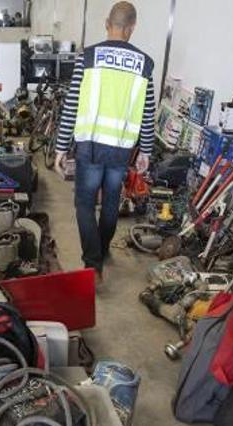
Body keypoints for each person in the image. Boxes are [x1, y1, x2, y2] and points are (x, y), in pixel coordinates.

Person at [54, 1, 156, 280]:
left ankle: (92, 262)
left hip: (90, 146)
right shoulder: (145, 64)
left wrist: (61, 147)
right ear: (132, 28)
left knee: (85, 204)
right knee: (111, 201)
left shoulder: (87, 57)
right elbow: (148, 112)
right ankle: (103, 249)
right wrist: (146, 149)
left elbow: (72, 104)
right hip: (122, 148)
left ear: (106, 22)